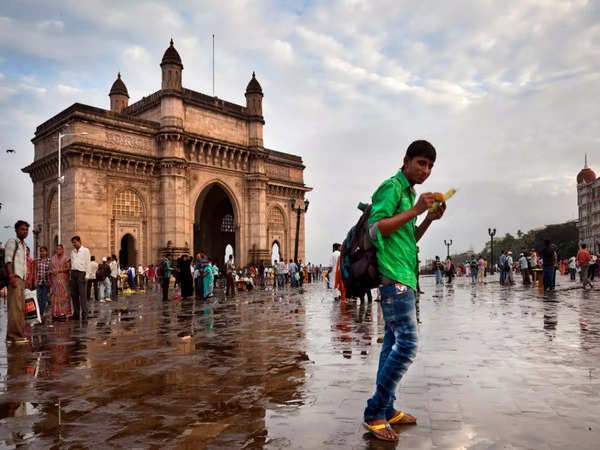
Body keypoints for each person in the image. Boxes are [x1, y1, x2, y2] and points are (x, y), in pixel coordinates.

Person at [362, 140, 446, 441]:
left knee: (392, 345)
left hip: (404, 277)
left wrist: (428, 218)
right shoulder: (392, 187)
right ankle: (374, 412)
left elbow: (408, 237)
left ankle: (388, 408)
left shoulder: (409, 194)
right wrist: (416, 210)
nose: (426, 170)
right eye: (421, 163)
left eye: (430, 166)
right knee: (408, 344)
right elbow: (375, 230)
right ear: (407, 161)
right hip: (393, 279)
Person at [4, 221, 30, 343]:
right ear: (16, 230)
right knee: (14, 308)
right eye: (22, 229)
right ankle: (13, 336)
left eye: (26, 230)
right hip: (14, 277)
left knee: (20, 308)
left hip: (21, 279)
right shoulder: (12, 242)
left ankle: (18, 334)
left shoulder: (23, 245)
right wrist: (11, 276)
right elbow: (8, 260)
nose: (24, 231)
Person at [70, 236, 91, 321]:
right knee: (74, 295)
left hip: (81, 274)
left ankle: (85, 314)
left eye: (75, 242)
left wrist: (87, 275)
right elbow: (72, 263)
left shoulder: (86, 251)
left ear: (79, 241)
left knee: (82, 295)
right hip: (73, 273)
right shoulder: (72, 252)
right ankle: (76, 313)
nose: (74, 244)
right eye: (73, 243)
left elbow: (88, 263)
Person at [50, 244, 72, 321]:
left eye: (60, 249)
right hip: (55, 280)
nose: (58, 251)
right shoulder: (53, 258)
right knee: (55, 296)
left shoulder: (66, 258)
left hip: (64, 280)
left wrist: (59, 271)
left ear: (63, 250)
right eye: (57, 249)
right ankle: (56, 313)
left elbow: (68, 268)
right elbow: (51, 268)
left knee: (64, 296)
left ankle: (63, 313)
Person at [34, 246, 51, 318]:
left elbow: (50, 271)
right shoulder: (37, 260)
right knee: (38, 297)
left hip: (46, 282)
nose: (42, 252)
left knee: (44, 298)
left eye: (43, 251)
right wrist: (35, 280)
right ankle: (38, 312)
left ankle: (41, 313)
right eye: (41, 251)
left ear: (46, 252)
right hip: (39, 281)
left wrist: (49, 281)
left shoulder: (49, 261)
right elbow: (35, 270)